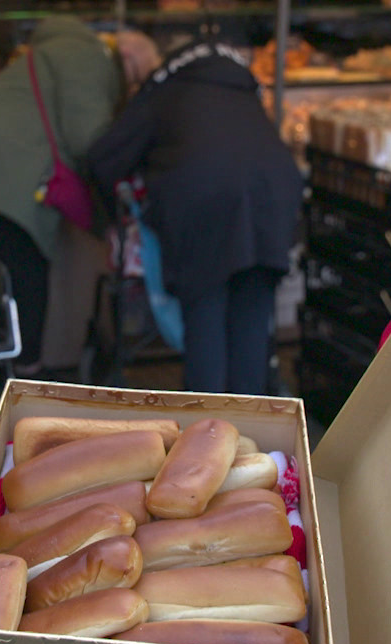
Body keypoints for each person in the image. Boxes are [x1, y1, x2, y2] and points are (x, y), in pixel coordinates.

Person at [85, 33, 303, 395]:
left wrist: (109, 218)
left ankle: (206, 421)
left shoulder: (164, 91)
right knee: (252, 317)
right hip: (274, 195)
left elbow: (103, 159)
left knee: (205, 314)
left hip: (204, 204)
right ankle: (248, 422)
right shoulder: (242, 88)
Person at [0, 15, 121, 376]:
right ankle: (23, 374)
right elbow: (87, 137)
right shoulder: (86, 53)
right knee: (26, 270)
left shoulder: (48, 51)